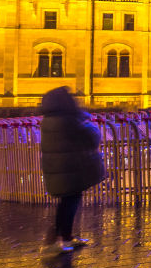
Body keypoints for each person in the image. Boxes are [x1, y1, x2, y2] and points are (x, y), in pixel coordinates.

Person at [40, 87, 105, 255]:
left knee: (66, 202)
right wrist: (86, 121)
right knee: (70, 202)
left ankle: (63, 238)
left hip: (57, 168)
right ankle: (59, 240)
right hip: (69, 168)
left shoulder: (49, 118)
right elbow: (91, 136)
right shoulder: (68, 119)